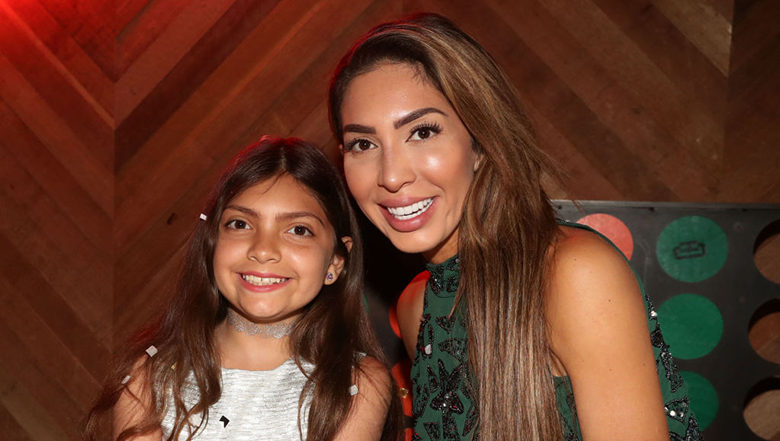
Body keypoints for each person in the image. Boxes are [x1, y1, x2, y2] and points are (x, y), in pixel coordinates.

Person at [328, 13, 701, 441]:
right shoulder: (418, 308)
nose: (392, 176)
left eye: (422, 132)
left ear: (480, 142)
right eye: (363, 144)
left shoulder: (573, 275)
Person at [84, 137, 400, 441]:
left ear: (335, 262)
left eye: (298, 230)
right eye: (240, 224)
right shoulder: (151, 375)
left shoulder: (355, 382)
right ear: (212, 243)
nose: (262, 250)